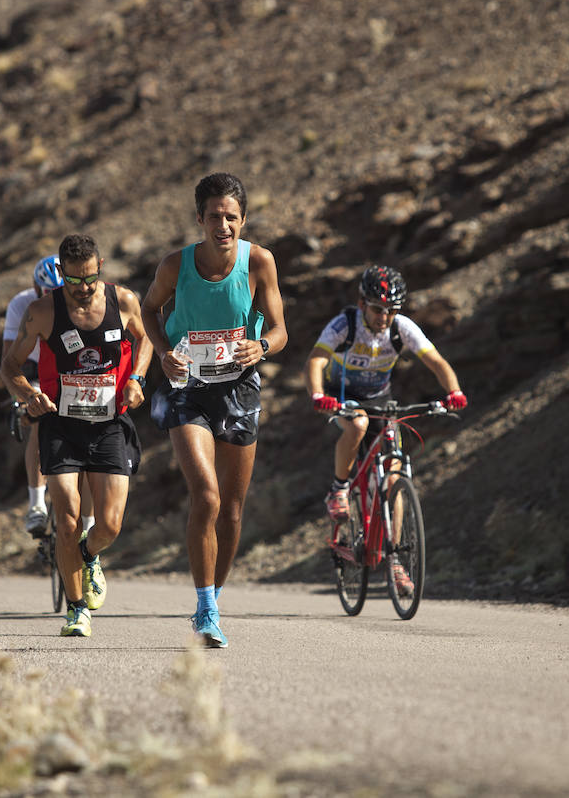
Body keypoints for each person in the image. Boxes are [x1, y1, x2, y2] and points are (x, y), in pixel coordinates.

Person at [140, 172, 287, 648]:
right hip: (188, 388)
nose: (222, 226)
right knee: (206, 496)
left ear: (243, 220)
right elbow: (147, 311)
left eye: (231, 218)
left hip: (239, 389)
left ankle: (215, 596)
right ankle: (205, 610)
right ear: (198, 219)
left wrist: (260, 347)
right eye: (213, 217)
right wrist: (164, 351)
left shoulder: (259, 261)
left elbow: (282, 330)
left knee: (233, 510)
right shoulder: (174, 265)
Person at [1, 234, 152, 638]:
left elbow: (145, 337)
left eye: (90, 278)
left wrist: (136, 378)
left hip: (110, 424)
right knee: (67, 519)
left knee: (111, 524)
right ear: (61, 277)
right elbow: (10, 366)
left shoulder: (123, 301)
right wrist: (29, 394)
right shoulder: (42, 312)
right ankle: (77, 608)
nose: (83, 289)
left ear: (100, 266)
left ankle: (88, 555)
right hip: (60, 425)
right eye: (74, 281)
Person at [303, 264, 468, 596]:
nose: (384, 317)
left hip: (381, 398)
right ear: (363, 303)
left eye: (392, 311)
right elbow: (316, 360)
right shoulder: (344, 325)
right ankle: (338, 489)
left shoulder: (401, 328)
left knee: (394, 473)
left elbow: (435, 360)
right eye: (378, 309)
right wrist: (319, 395)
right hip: (343, 396)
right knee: (358, 425)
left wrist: (454, 392)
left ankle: (395, 564)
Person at [2, 256, 95, 539]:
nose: (53, 299)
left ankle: (89, 523)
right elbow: (9, 361)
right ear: (36, 288)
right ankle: (37, 504)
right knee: (42, 420)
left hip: (70, 368)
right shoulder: (22, 304)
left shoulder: (82, 302)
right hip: (35, 369)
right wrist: (22, 398)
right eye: (47, 293)